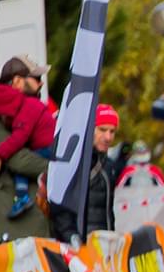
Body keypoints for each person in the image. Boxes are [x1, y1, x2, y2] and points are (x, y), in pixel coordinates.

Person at [0, 55, 55, 219]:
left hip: (47, 150)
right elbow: (20, 146)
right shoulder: (24, 105)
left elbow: (20, 137)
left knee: (22, 170)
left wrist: (0, 154)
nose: (41, 83)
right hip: (6, 218)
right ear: (18, 81)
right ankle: (22, 197)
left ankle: (21, 198)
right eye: (37, 78)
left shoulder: (27, 105)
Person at [51, 104, 121, 244]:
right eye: (102, 130)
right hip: (78, 245)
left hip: (104, 245)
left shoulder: (108, 165)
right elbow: (59, 204)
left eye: (112, 131)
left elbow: (107, 212)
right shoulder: (74, 161)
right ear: (89, 129)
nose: (108, 137)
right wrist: (71, 237)